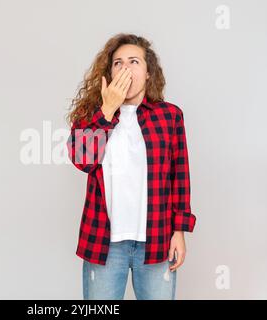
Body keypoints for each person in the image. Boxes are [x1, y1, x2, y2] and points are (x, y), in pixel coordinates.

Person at [66, 33, 197, 300]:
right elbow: (83, 160)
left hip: (157, 240)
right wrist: (107, 111)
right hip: (104, 242)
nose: (125, 68)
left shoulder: (170, 116)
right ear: (109, 73)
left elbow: (179, 175)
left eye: (134, 62)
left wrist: (179, 230)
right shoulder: (89, 117)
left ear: (148, 73)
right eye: (118, 63)